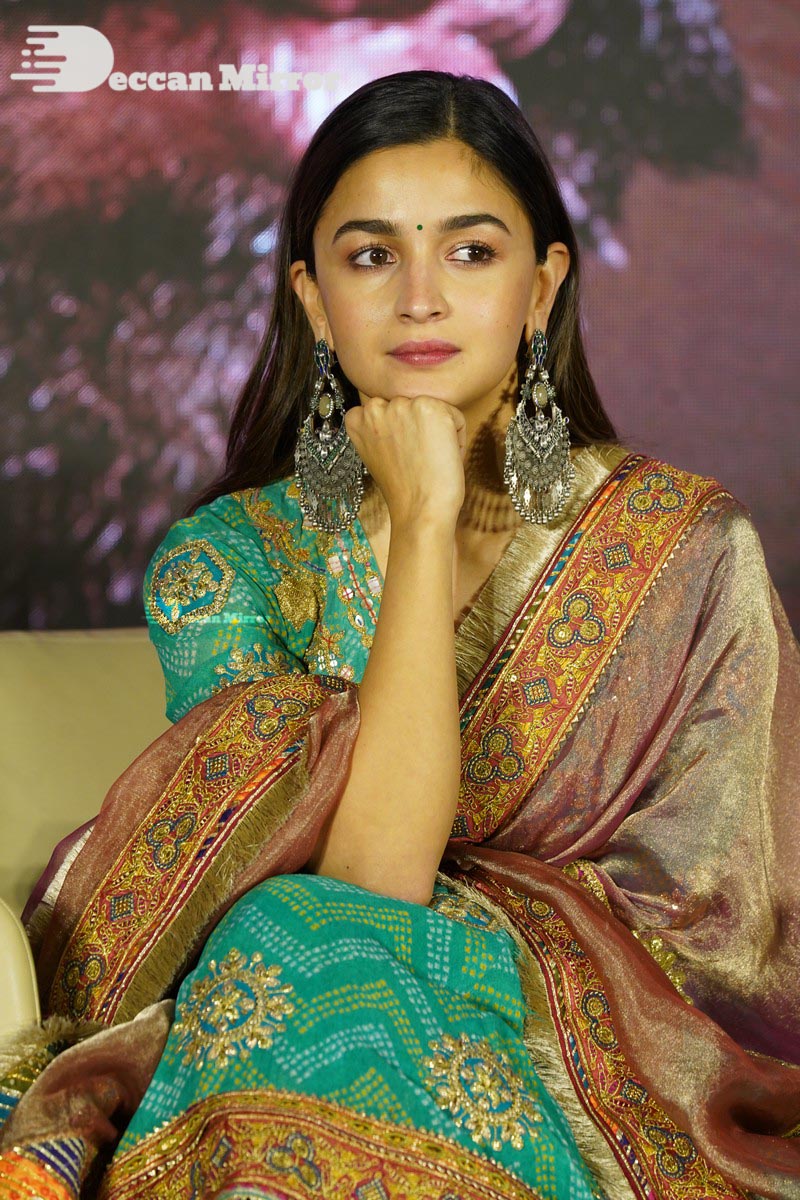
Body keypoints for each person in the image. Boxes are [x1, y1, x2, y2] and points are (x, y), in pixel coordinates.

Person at [2, 69, 800, 1200]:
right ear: (314, 299)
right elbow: (363, 894)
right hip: (299, 1009)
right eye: (372, 255)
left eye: (470, 252)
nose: (421, 298)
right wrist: (425, 524)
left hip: (599, 1065)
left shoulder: (683, 550)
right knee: (295, 939)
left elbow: (729, 938)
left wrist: (504, 945)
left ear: (541, 287)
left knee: (294, 939)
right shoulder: (232, 563)